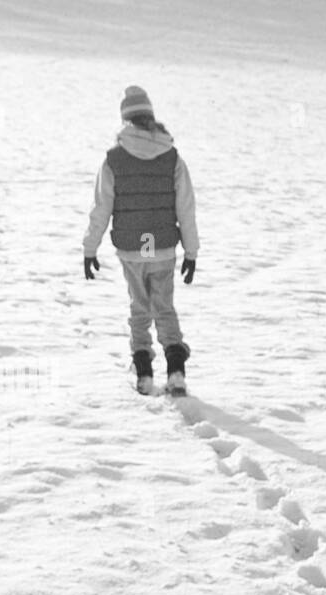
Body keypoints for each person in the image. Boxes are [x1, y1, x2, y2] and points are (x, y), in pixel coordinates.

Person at [83, 86, 199, 396]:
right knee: (164, 307)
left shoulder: (113, 160)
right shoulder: (172, 157)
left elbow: (101, 208)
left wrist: (89, 248)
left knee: (139, 307)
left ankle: (144, 373)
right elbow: (186, 206)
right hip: (159, 246)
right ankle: (176, 372)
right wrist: (191, 250)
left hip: (134, 248)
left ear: (126, 120)